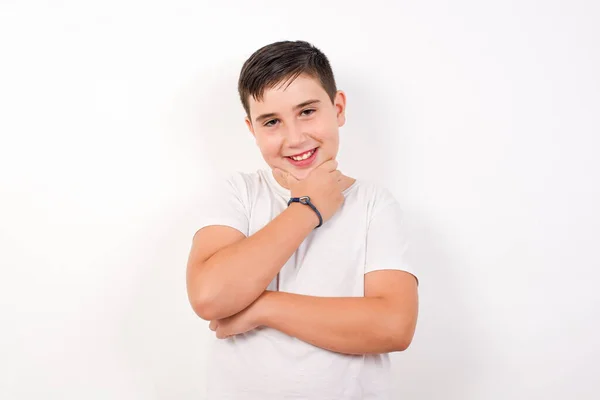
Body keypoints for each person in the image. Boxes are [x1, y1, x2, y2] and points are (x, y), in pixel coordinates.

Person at [186, 40, 419, 399]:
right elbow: (210, 297)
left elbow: (393, 326)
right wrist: (307, 209)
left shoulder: (374, 205)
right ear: (252, 130)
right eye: (272, 121)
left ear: (338, 108)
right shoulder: (239, 193)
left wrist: (262, 307)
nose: (295, 138)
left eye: (307, 112)